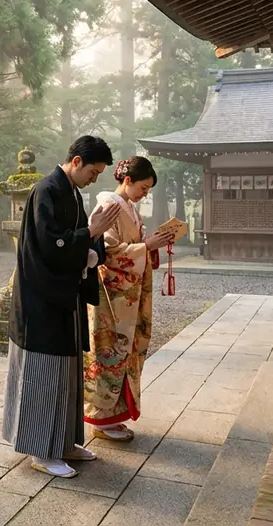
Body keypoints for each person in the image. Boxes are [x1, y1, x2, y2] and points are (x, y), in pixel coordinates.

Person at [2, 135, 121, 479]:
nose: (94, 179)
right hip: (43, 300)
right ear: (77, 161)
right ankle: (42, 450)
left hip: (64, 296)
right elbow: (50, 247)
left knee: (67, 375)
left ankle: (64, 442)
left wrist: (93, 240)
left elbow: (78, 239)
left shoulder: (69, 192)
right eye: (94, 172)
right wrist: (90, 234)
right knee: (44, 374)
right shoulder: (46, 190)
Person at [83, 156, 176, 441]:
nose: (144, 194)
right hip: (110, 296)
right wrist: (145, 245)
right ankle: (100, 418)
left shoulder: (129, 209)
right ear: (127, 181)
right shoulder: (108, 206)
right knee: (109, 350)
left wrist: (150, 243)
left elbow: (130, 246)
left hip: (126, 297)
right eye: (143, 188)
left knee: (126, 351)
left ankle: (115, 415)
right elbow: (107, 253)